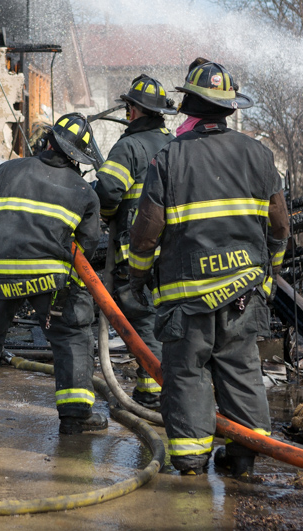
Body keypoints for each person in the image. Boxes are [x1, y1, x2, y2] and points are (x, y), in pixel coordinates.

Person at [128, 60, 290, 476]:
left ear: (189, 105)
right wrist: (268, 274)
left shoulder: (169, 159)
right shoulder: (259, 155)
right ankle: (245, 455)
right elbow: (280, 225)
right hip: (243, 292)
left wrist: (138, 276)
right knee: (241, 368)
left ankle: (190, 458)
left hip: (188, 297)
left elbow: (147, 232)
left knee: (186, 374)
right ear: (230, 108)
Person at [0, 112, 108, 435]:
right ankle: (75, 415)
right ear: (79, 159)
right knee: (72, 333)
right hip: (51, 279)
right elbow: (87, 247)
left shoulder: (8, 170)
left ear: (48, 142)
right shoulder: (85, 193)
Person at [92, 74, 175, 408]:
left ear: (136, 110)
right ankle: (156, 386)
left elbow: (108, 190)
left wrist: (108, 214)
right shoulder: (176, 144)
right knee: (165, 318)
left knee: (142, 319)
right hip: (174, 248)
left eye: (129, 107)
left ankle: (153, 392)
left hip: (137, 248)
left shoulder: (130, 146)